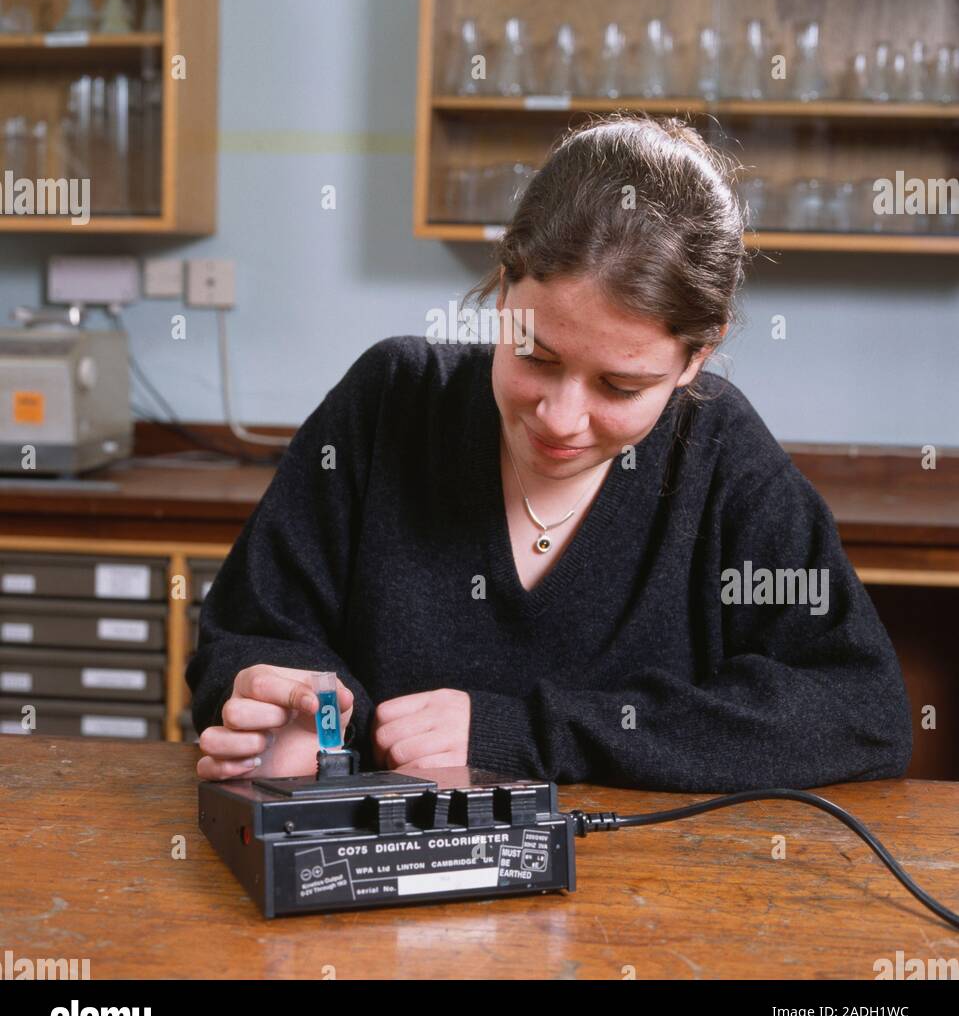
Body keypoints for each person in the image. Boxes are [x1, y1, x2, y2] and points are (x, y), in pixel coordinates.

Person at [188, 114, 913, 791]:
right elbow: (246, 631)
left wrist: (521, 732)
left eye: (620, 385)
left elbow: (856, 709)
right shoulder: (391, 400)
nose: (562, 419)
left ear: (697, 355)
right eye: (535, 356)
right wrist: (286, 718)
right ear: (505, 288)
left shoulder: (719, 455)